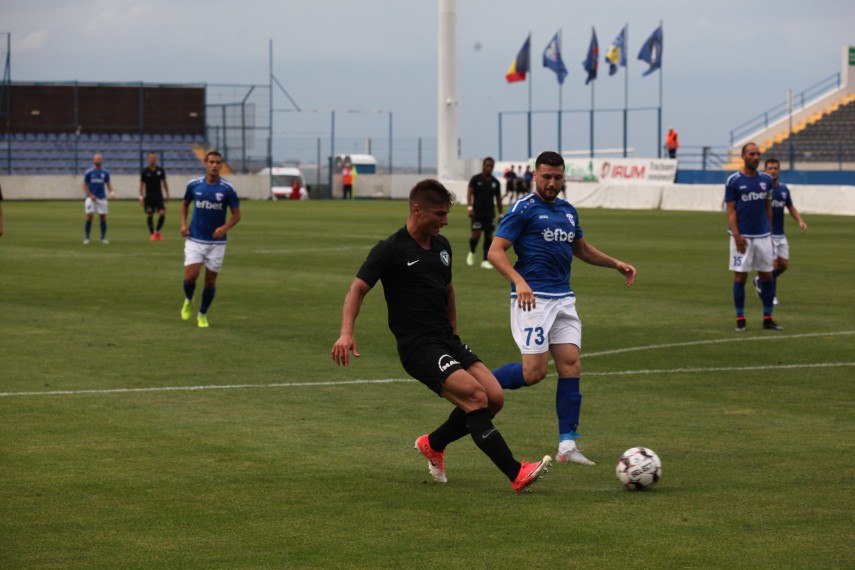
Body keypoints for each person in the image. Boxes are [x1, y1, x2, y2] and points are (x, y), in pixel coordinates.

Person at [330, 179, 552, 494]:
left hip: (446, 341)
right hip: (418, 347)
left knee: (494, 398)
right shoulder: (390, 249)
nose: (445, 221)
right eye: (440, 214)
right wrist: (346, 333)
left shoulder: (442, 247)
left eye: (447, 213)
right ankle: (516, 473)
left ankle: (433, 444)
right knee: (475, 397)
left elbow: (448, 291)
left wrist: (454, 334)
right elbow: (358, 288)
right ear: (417, 210)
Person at [487, 151, 637, 466]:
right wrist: (519, 281)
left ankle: (567, 446)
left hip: (564, 299)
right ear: (535, 176)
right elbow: (495, 251)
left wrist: (615, 263)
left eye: (557, 177)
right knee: (534, 373)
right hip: (533, 299)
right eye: (546, 177)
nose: (552, 183)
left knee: (571, 365)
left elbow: (580, 248)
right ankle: (481, 382)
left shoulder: (568, 211)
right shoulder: (523, 208)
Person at [179, 151, 241, 328]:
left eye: (218, 162)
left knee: (210, 281)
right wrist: (183, 224)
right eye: (211, 162)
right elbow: (185, 203)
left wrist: (224, 228)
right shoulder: (194, 185)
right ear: (205, 164)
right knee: (191, 276)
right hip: (195, 239)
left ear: (221, 165)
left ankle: (202, 314)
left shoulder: (228, 189)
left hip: (216, 243)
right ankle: (188, 299)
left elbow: (236, 215)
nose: (214, 165)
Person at [724, 143, 781, 332]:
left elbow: (768, 208)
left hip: (763, 236)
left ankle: (768, 318)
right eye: (751, 154)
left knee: (767, 275)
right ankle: (740, 319)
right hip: (742, 237)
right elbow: (730, 210)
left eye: (758, 154)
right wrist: (736, 235)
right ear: (743, 156)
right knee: (740, 276)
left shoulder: (766, 179)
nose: (756, 157)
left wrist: (770, 235)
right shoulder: (733, 181)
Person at [753, 157, 808, 306]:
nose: (773, 171)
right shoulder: (761, 190)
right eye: (770, 168)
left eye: (775, 168)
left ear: (779, 171)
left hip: (780, 234)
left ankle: (760, 281)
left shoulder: (783, 189)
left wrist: (800, 221)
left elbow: (790, 206)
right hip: (766, 234)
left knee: (784, 265)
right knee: (773, 265)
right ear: (765, 170)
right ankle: (771, 296)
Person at [466, 157, 503, 269]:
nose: (489, 168)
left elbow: (498, 199)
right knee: (475, 236)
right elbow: (469, 193)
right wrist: (469, 207)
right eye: (487, 165)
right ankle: (472, 252)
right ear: (483, 166)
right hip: (477, 213)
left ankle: (485, 261)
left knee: (488, 237)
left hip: (490, 213)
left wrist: (501, 213)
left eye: (491, 166)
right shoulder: (475, 179)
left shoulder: (495, 182)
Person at [82, 153, 116, 244]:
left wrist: (112, 193)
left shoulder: (105, 172)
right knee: (89, 216)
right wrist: (90, 195)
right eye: (96, 159)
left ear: (102, 160)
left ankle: (103, 238)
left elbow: (108, 184)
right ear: (93, 160)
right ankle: (87, 238)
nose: (98, 160)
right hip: (91, 198)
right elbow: (84, 186)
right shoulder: (89, 172)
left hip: (102, 198)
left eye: (99, 159)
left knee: (102, 217)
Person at [139, 152, 170, 241]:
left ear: (156, 159)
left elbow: (164, 182)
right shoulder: (145, 171)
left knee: (162, 213)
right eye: (151, 158)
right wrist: (141, 197)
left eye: (154, 158)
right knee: (150, 214)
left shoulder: (160, 170)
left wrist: (167, 194)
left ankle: (157, 231)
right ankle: (152, 234)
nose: (152, 159)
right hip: (149, 197)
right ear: (148, 159)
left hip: (159, 196)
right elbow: (141, 184)